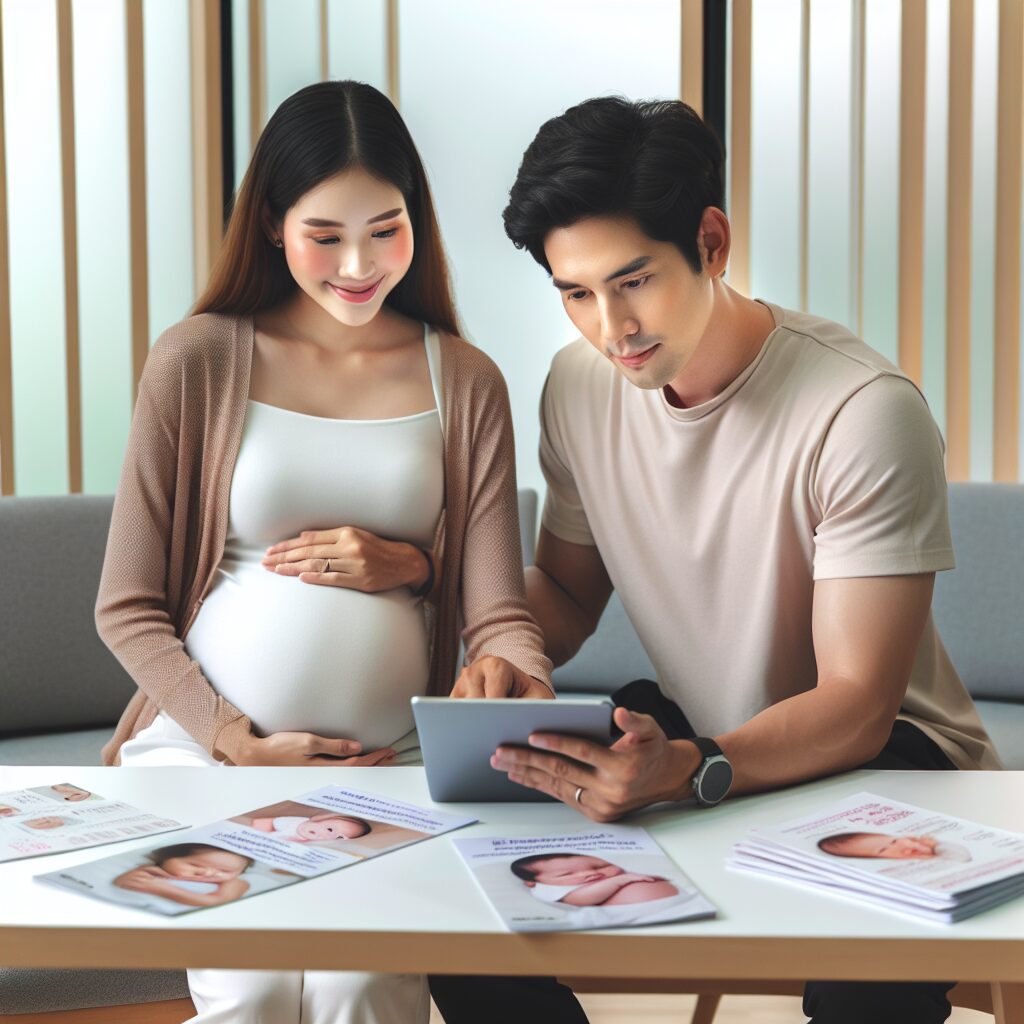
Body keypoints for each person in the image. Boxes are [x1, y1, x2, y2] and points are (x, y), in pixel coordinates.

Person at [429, 97, 1000, 1024]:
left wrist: (693, 767)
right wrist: (491, 638)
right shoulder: (577, 388)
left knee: (864, 989)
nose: (612, 327)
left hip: (891, 752)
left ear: (711, 240)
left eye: (634, 281)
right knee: (460, 895)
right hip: (699, 729)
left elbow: (858, 704)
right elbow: (566, 593)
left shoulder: (861, 410)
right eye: (576, 294)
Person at [96, 80, 551, 1024]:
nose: (358, 265)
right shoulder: (197, 358)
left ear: (416, 216)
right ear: (271, 224)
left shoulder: (466, 380)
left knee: (361, 991)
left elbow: (500, 613)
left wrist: (513, 672)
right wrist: (231, 739)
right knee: (255, 988)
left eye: (386, 229)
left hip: (386, 762)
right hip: (208, 751)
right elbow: (127, 606)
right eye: (325, 235)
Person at [114, 843, 253, 909]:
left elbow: (218, 901)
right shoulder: (153, 870)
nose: (207, 873)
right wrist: (132, 877)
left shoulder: (234, 882)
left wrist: (162, 889)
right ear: (165, 859)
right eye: (195, 865)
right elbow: (122, 882)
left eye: (225, 871)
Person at [511, 853, 677, 906]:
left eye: (600, 866)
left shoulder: (620, 870)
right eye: (566, 874)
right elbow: (581, 898)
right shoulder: (545, 888)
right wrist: (620, 880)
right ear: (531, 882)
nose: (590, 874)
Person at [817, 833, 972, 862]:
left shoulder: (937, 849)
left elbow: (963, 856)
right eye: (882, 850)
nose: (898, 846)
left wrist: (936, 846)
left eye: (894, 841)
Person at [249, 812, 371, 843]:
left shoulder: (308, 840)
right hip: (263, 830)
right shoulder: (297, 822)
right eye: (329, 829)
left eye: (338, 837)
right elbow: (276, 823)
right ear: (319, 819)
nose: (325, 835)